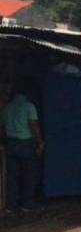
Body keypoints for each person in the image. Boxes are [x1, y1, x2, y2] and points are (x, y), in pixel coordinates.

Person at [1, 81, 44, 212]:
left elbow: (2, 127)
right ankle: (27, 203)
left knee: (12, 176)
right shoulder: (29, 106)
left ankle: (11, 205)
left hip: (11, 143)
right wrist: (40, 141)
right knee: (29, 174)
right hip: (26, 143)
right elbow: (34, 125)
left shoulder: (6, 108)